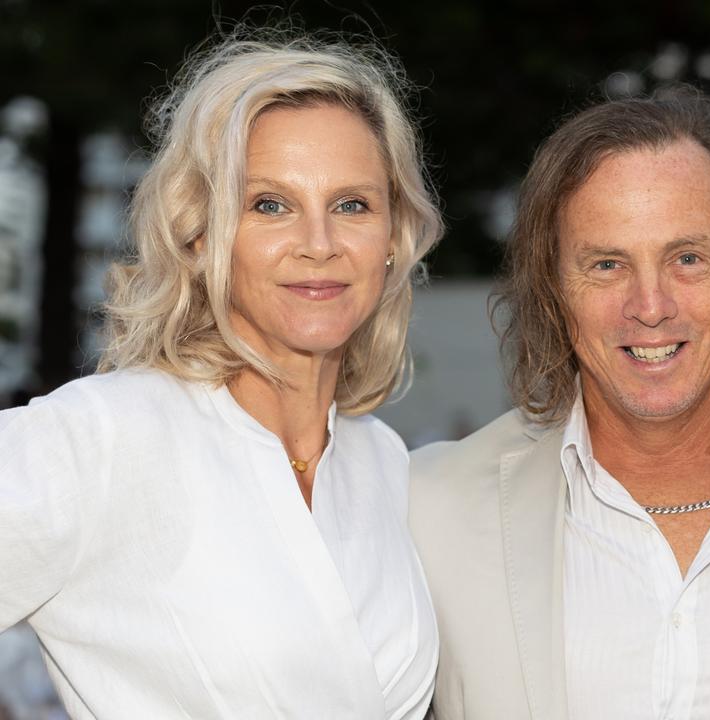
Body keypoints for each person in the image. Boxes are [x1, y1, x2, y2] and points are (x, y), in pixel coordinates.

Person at [409, 89, 710, 719]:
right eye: (607, 264)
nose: (651, 305)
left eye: (687, 258)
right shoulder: (431, 508)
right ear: (554, 288)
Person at [0, 32, 441, 718]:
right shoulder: (101, 437)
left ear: (392, 238)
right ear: (201, 234)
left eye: (353, 204)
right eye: (270, 204)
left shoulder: (380, 459)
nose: (319, 243)